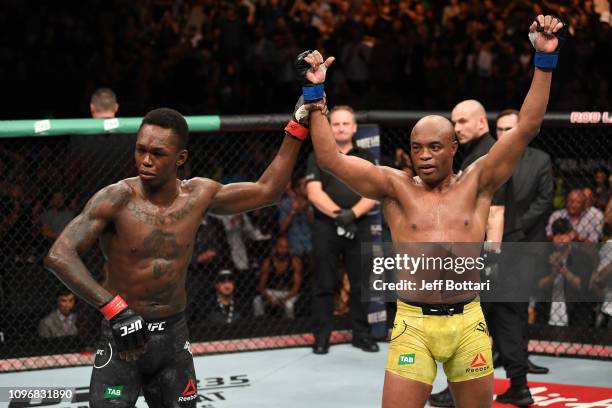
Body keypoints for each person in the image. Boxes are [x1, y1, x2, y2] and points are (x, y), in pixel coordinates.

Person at [303, 14, 564, 408]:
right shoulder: (394, 187)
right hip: (413, 324)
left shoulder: (478, 182)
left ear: (454, 146)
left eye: (435, 147)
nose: (424, 156)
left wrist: (544, 61)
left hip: (468, 322)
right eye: (417, 147)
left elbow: (526, 127)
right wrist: (315, 97)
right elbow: (329, 159)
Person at [44, 101, 309, 407]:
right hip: (121, 338)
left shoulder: (198, 195)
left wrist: (298, 123)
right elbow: (59, 254)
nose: (145, 160)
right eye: (140, 150)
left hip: (172, 338)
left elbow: (268, 191)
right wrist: (114, 308)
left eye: (157, 153)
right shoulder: (116, 197)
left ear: (180, 158)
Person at [306, 104, 379, 355]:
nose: (340, 127)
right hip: (327, 225)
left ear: (355, 128)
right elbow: (314, 193)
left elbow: (374, 192)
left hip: (360, 224)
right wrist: (340, 216)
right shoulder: (317, 155)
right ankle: (321, 337)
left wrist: (353, 215)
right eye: (335, 123)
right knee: (324, 283)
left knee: (361, 284)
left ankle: (362, 334)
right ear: (329, 128)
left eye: (345, 123)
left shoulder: (366, 157)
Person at [494, 108, 553, 376]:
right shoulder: (488, 161)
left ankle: (519, 357)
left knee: (519, 305)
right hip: (494, 243)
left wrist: (512, 226)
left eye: (510, 129)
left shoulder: (540, 160)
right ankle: (494, 353)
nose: (504, 134)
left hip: (525, 243)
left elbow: (543, 201)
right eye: (500, 129)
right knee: (489, 303)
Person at [253, 235, 303, 319]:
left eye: (286, 247)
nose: (283, 250)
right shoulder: (268, 262)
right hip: (272, 292)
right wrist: (268, 297)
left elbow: (296, 287)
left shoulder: (295, 261)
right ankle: (260, 324)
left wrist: (285, 299)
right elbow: (261, 286)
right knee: (257, 301)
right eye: (281, 247)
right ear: (275, 247)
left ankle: (290, 327)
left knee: (289, 305)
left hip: (288, 292)